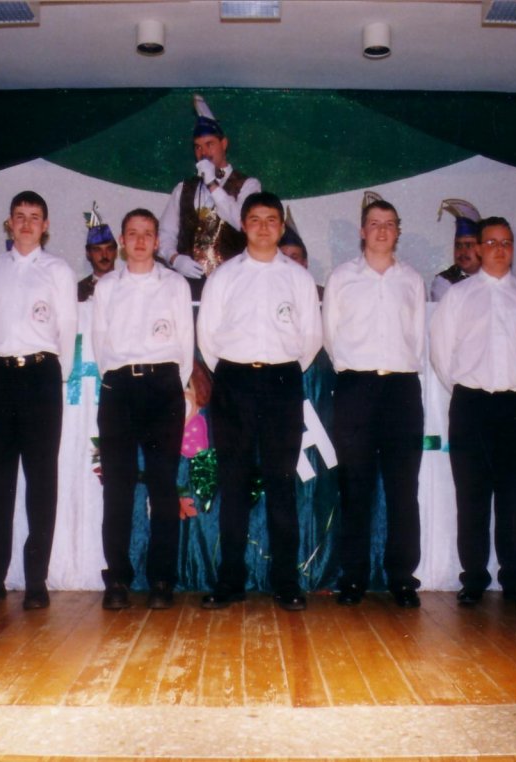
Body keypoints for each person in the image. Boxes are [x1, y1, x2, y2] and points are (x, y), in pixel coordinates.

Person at [196, 191, 322, 611]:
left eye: (271, 220)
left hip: (282, 381)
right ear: (243, 225)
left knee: (281, 483)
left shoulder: (298, 279)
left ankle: (286, 582)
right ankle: (229, 581)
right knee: (233, 483)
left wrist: (279, 371)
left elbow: (311, 339)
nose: (263, 227)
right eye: (255, 219)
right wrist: (234, 372)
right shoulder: (224, 277)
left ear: (281, 227)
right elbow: (207, 337)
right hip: (232, 382)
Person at [429, 216, 516, 606]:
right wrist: (470, 389)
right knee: (473, 498)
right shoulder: (458, 296)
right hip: (472, 405)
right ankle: (474, 579)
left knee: (515, 499)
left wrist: (514, 385)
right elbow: (441, 354)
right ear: (479, 249)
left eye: (507, 243)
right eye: (492, 242)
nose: (500, 249)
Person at [0, 191, 77, 611]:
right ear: (9, 223)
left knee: (41, 481)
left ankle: (35, 580)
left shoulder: (59, 271)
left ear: (45, 226)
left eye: (34, 217)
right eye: (19, 216)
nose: (27, 224)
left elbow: (67, 329)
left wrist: (52, 376)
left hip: (41, 378)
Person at [323, 195, 426, 608]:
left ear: (397, 231)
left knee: (404, 488)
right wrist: (357, 372)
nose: (382, 231)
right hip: (356, 389)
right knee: (355, 487)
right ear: (362, 231)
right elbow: (330, 336)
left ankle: (402, 578)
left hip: (401, 390)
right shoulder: (341, 278)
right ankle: (353, 577)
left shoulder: (412, 280)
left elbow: (417, 337)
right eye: (375, 223)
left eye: (389, 224)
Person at [93, 209, 194, 610]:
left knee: (162, 485)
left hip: (163, 387)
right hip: (119, 388)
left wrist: (168, 386)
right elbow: (101, 346)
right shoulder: (107, 288)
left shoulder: (175, 285)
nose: (139, 241)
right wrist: (123, 379)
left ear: (157, 241)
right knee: (117, 488)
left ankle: (162, 579)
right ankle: (117, 578)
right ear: (122, 241)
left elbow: (185, 347)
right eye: (132, 233)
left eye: (147, 234)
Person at [160, 95, 263, 300]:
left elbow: (241, 222)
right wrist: (174, 258)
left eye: (209, 144)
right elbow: (165, 233)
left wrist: (212, 184)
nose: (203, 152)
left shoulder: (249, 185)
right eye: (198, 147)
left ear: (224, 143)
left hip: (233, 287)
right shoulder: (182, 188)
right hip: (187, 289)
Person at [430, 198, 482, 301]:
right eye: (458, 245)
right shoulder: (444, 282)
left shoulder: (493, 276)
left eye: (468, 245)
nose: (462, 252)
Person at [279, 206, 323, 300]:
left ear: (305, 263)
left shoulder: (319, 295)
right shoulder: (266, 292)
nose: (288, 262)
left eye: (294, 257)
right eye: (283, 257)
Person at [77, 203, 118, 302]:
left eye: (109, 249)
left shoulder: (126, 284)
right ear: (88, 253)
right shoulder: (79, 291)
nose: (104, 255)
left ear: (116, 251)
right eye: (97, 250)